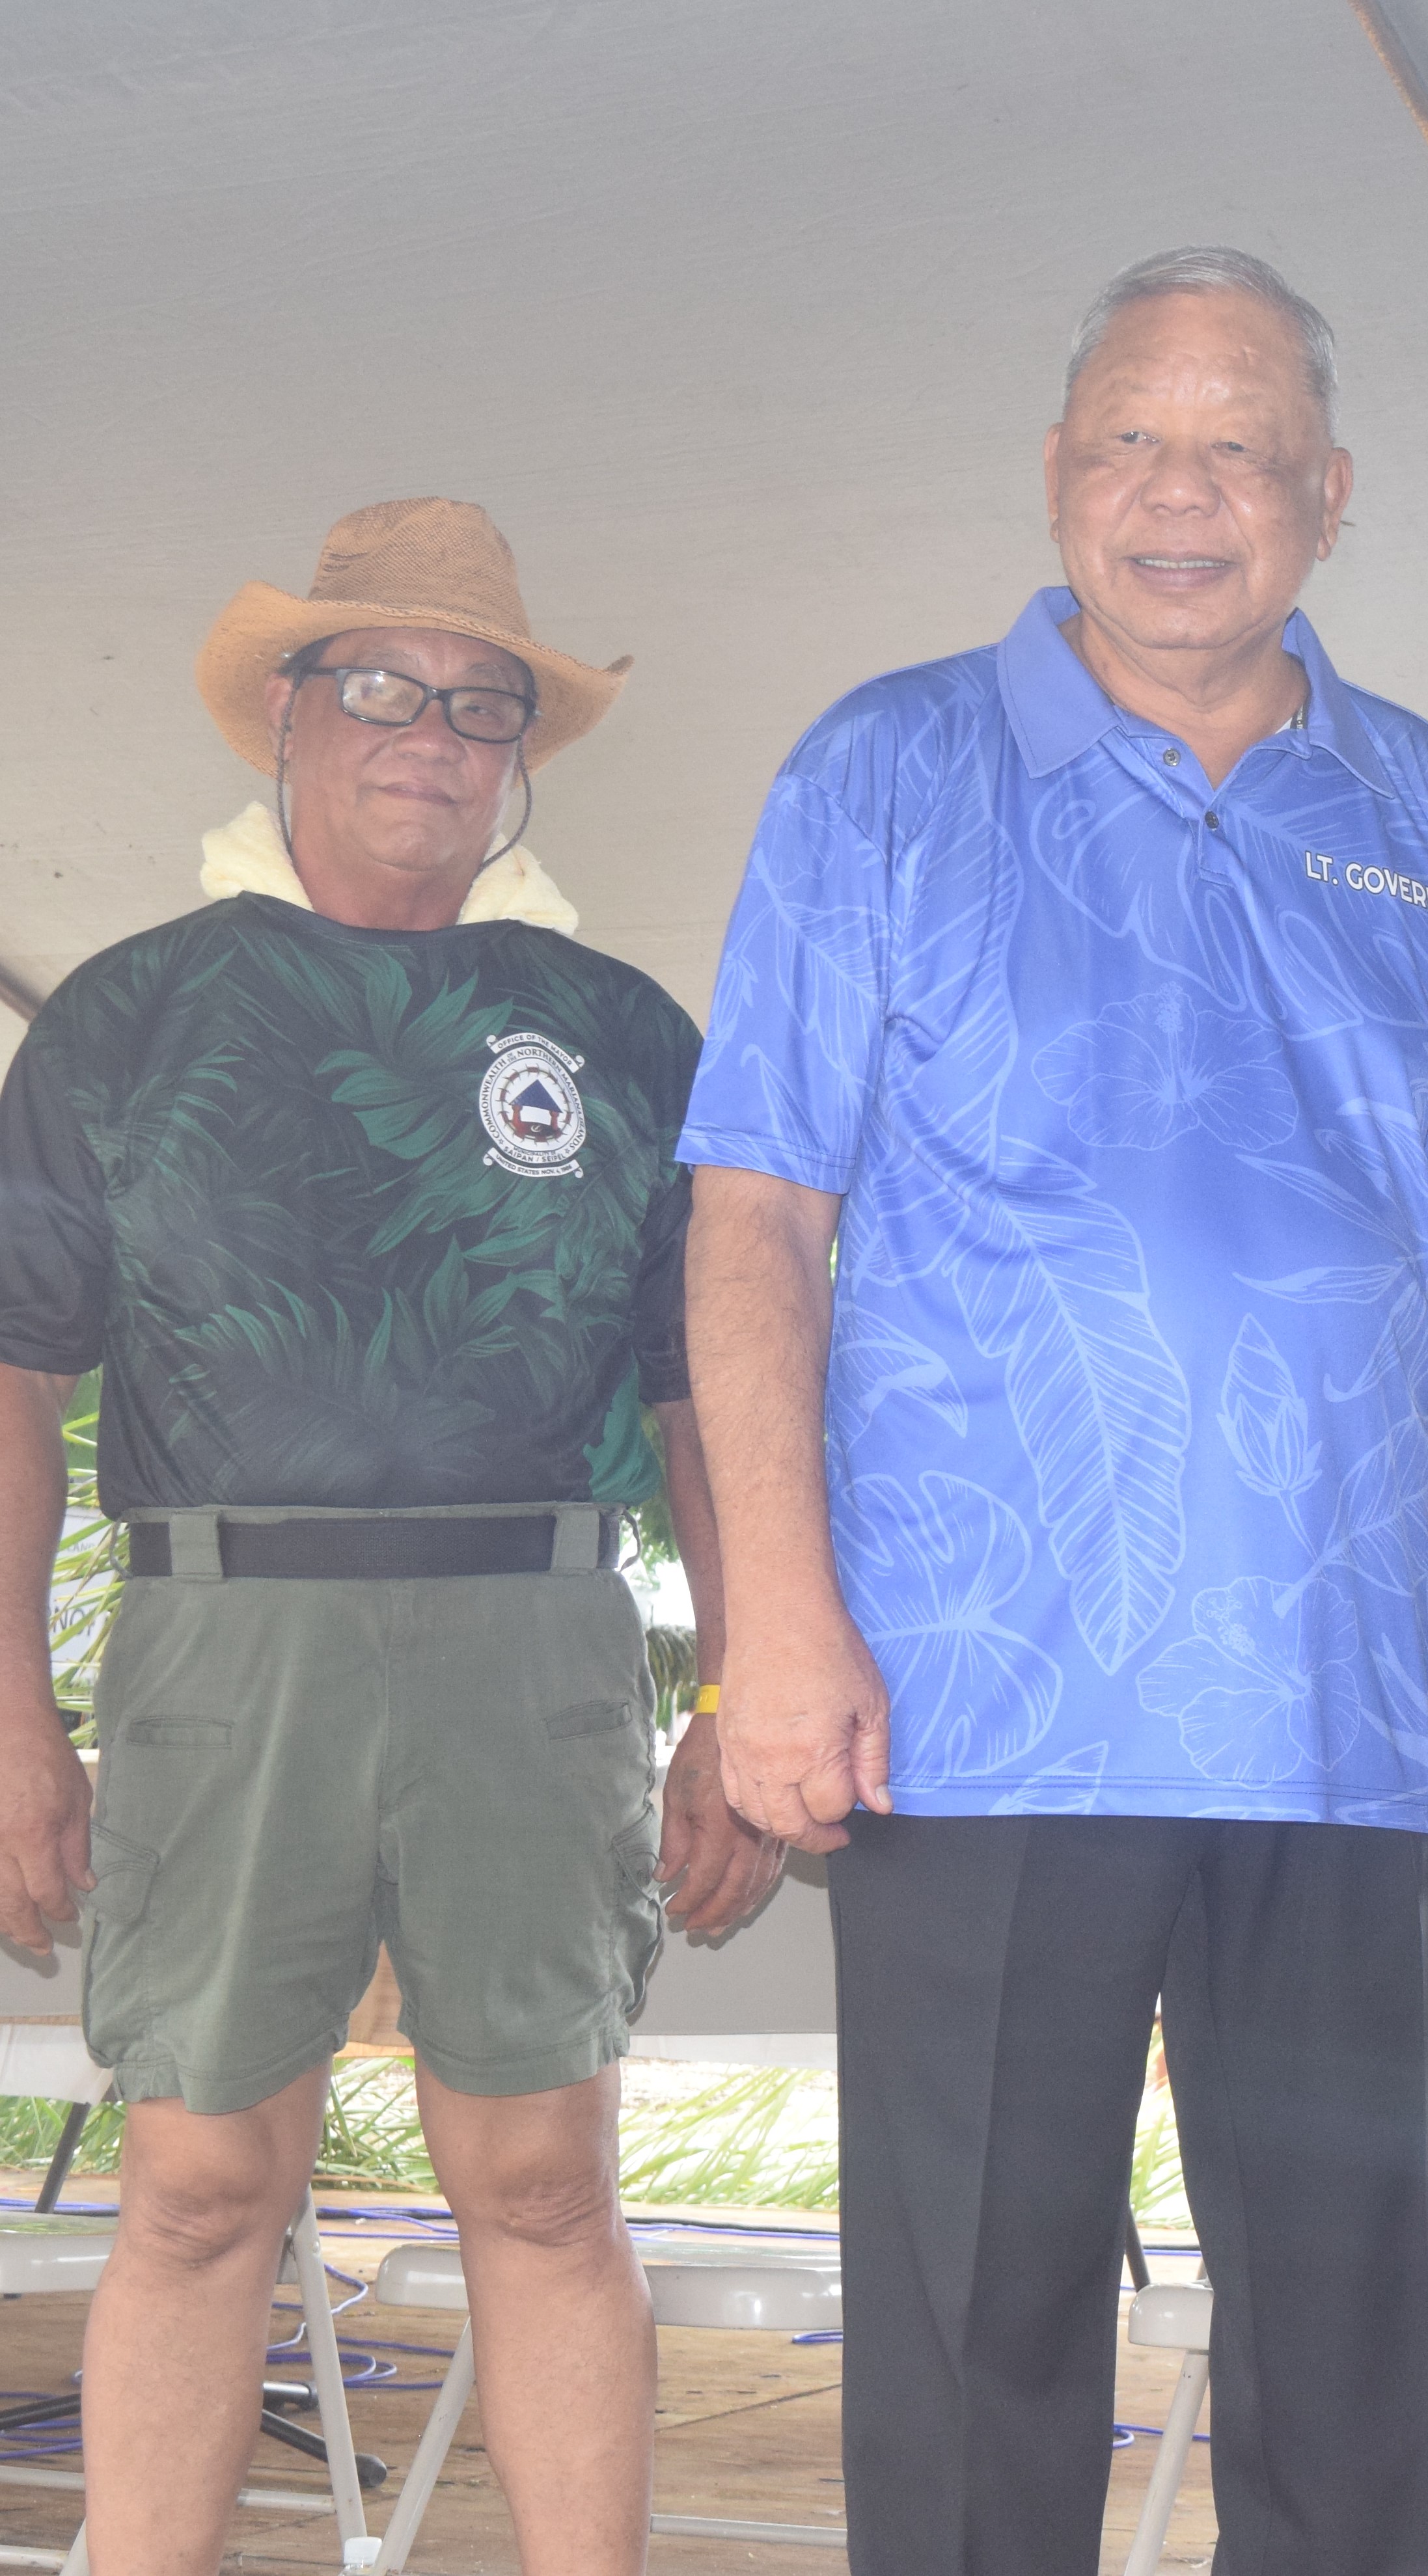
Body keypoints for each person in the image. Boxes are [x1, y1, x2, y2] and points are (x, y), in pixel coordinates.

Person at [679, 247, 1428, 2576]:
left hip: (1333, 1708)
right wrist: (769, 1627)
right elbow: (758, 1213)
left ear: (1330, 493)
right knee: (977, 2351)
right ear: (1058, 471)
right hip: (979, 1702)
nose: (1180, 497)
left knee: (1345, 2356)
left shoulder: (1425, 808)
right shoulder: (881, 770)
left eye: (1239, 450)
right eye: (1130, 444)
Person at [0, 496, 781, 2573]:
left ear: (522, 750)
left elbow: (714, 1384)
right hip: (214, 1650)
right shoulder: (123, 1021)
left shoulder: (617, 1035)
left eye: (480, 702)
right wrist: (8, 1717)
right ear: (283, 713)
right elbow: (14, 1369)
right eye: (381, 687)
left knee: (539, 2186)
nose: (431, 734)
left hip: (536, 1648)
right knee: (191, 2192)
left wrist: (740, 1686)